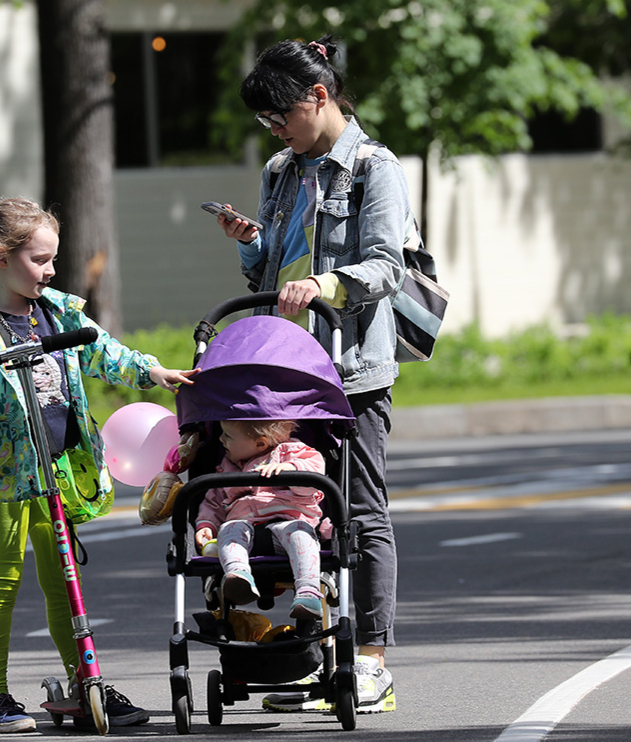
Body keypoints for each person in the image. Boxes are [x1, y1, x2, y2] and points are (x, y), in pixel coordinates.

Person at [215, 35, 430, 715]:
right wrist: (252, 242)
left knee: (359, 512)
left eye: (280, 115)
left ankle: (371, 661)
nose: (274, 131)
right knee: (287, 507)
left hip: (351, 369)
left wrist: (324, 283)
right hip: (283, 369)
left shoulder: (374, 168)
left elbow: (384, 267)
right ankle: (312, 661)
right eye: (265, 123)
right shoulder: (281, 170)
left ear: (318, 96)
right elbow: (267, 272)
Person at [0, 197, 199, 733]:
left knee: (64, 583)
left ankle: (86, 683)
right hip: (3, 473)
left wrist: (155, 372)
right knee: (3, 579)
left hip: (57, 470)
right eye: (40, 260)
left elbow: (106, 352)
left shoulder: (58, 310)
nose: (50, 270)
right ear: (1, 258)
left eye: (54, 259)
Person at [193, 419, 328, 620]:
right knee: (229, 529)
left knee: (300, 533)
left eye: (227, 436)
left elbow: (315, 475)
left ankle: (308, 591)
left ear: (261, 444)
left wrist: (291, 468)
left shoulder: (291, 451)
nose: (220, 440)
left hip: (288, 519)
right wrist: (206, 524)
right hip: (245, 529)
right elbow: (214, 501)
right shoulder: (226, 468)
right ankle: (238, 576)